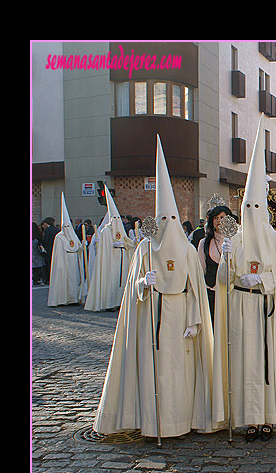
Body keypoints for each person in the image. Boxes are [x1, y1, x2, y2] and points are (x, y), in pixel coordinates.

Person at [93, 134, 220, 440]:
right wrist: (142, 283)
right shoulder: (145, 250)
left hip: (181, 320)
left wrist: (195, 320)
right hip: (152, 318)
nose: (168, 222)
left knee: (181, 373)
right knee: (155, 372)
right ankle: (155, 422)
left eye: (173, 217)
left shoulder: (189, 252)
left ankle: (183, 420)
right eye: (164, 217)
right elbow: (132, 290)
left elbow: (195, 290)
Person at [212, 116, 276, 442]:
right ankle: (248, 419)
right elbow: (224, 280)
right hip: (241, 308)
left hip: (267, 310)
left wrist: (264, 282)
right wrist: (226, 258)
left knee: (268, 362)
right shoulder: (235, 239)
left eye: (258, 205)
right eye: (248, 205)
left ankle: (267, 417)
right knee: (245, 363)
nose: (253, 211)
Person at [84, 186, 136, 312]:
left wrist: (132, 242)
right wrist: (113, 245)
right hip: (111, 260)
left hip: (122, 260)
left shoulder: (121, 230)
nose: (117, 221)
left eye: (118, 218)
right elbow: (104, 247)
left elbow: (126, 242)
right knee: (111, 281)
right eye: (115, 218)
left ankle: (120, 301)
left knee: (121, 282)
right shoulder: (106, 231)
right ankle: (110, 302)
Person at [47, 193, 87, 306]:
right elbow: (58, 253)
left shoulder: (73, 236)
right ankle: (63, 299)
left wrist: (82, 245)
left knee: (74, 280)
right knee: (65, 280)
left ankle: (74, 298)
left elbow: (78, 247)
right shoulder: (59, 237)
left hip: (74, 260)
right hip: (64, 262)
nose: (67, 229)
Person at [197, 203, 233, 325]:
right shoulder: (204, 243)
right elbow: (201, 270)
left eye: (222, 217)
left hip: (231, 293)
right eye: (216, 218)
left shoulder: (236, 241)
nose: (219, 221)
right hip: (211, 293)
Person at [41, 217, 59, 285]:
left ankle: (49, 278)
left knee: (49, 265)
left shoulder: (47, 231)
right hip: (56, 249)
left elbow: (45, 241)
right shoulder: (57, 230)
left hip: (49, 250)